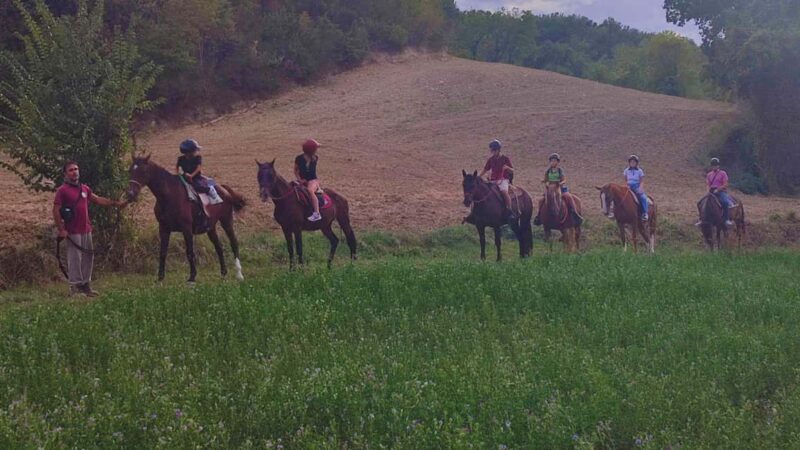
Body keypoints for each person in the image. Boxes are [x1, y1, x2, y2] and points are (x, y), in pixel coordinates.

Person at [53, 161, 126, 297]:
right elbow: (56, 210)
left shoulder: (84, 188)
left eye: (76, 169)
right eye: (71, 170)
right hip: (72, 230)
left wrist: (116, 204)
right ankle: (75, 287)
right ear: (65, 174)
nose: (74, 172)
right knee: (75, 258)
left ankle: (86, 286)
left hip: (86, 229)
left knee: (88, 257)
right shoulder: (62, 190)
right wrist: (61, 229)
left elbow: (98, 199)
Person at [534, 153, 582, 225]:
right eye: (552, 161)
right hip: (550, 188)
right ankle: (539, 216)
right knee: (541, 200)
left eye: (555, 161)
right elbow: (545, 179)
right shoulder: (548, 171)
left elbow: (564, 180)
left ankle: (575, 214)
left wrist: (560, 183)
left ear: (558, 162)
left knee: (569, 197)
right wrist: (544, 181)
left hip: (559, 187)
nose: (553, 162)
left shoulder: (560, 170)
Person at [478, 139, 516, 220]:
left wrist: (507, 167)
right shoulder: (490, 159)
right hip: (493, 180)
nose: (493, 152)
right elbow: (485, 169)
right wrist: (478, 176)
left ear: (499, 150)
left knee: (504, 192)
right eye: (492, 150)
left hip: (503, 179)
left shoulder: (505, 158)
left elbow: (512, 170)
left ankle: (509, 211)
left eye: (494, 150)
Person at [699, 157, 735, 227]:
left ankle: (726, 219)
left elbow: (725, 184)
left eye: (715, 165)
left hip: (721, 191)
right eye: (713, 165)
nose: (714, 167)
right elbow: (708, 184)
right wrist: (708, 191)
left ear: (718, 166)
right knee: (700, 203)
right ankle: (701, 219)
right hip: (711, 191)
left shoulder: (723, 173)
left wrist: (718, 189)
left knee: (725, 202)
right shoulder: (709, 174)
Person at [295, 139, 324, 222]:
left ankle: (317, 213)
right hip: (302, 180)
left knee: (310, 191)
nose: (316, 150)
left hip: (313, 180)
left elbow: (309, 173)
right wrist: (299, 180)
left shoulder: (315, 158)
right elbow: (295, 170)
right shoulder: (298, 158)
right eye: (315, 149)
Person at [623, 155, 649, 221]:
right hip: (628, 186)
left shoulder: (640, 171)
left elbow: (642, 181)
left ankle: (645, 213)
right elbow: (626, 180)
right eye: (631, 162)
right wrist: (626, 186)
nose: (632, 163)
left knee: (643, 198)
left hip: (637, 186)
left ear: (636, 163)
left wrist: (640, 188)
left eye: (634, 162)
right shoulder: (626, 171)